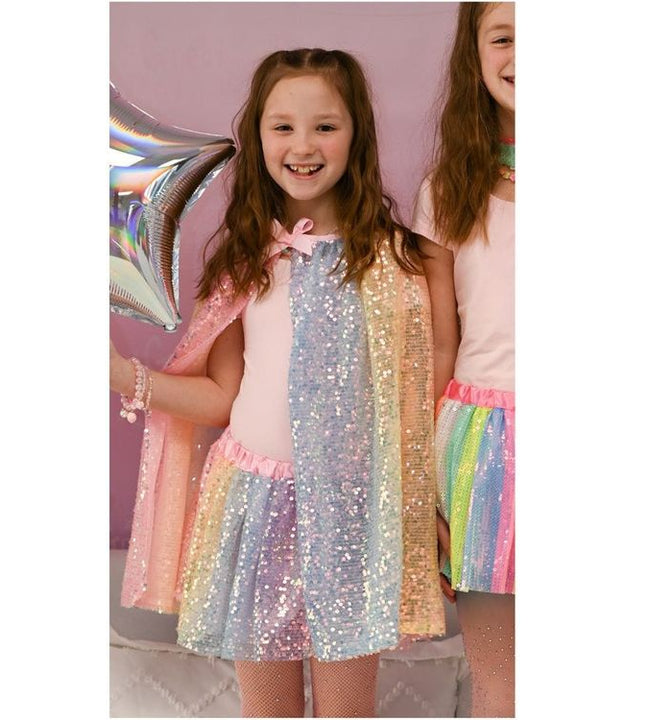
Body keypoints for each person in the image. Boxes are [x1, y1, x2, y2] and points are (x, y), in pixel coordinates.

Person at [111, 48, 446, 718]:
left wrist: (431, 504)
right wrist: (126, 376)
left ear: (357, 134)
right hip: (254, 502)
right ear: (258, 135)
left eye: (326, 126)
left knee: (347, 710)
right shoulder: (244, 262)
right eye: (282, 126)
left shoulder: (402, 262)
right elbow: (220, 397)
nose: (303, 146)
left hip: (352, 512)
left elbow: (426, 393)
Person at [412, 3, 516, 717]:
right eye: (505, 37)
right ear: (473, 55)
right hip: (479, 446)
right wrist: (424, 489)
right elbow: (439, 345)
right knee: (500, 685)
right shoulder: (447, 191)